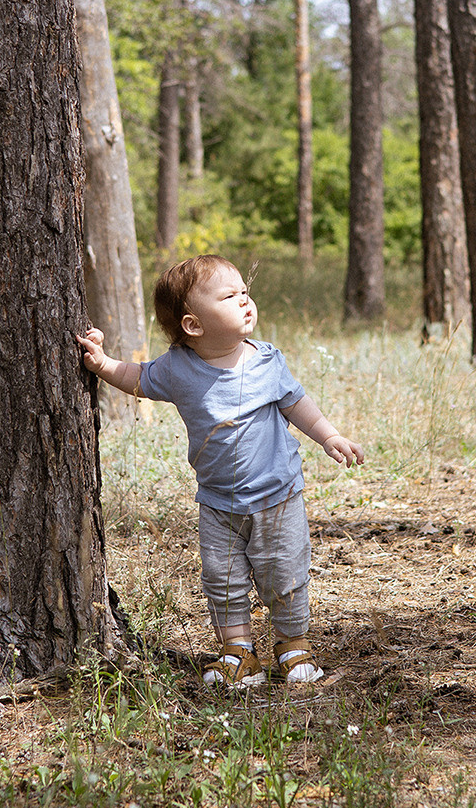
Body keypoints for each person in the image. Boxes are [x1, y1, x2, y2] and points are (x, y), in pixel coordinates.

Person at [78, 255, 363, 689]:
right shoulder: (176, 369)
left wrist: (328, 436)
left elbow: (295, 403)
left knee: (283, 573)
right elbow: (137, 378)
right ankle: (239, 651)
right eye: (230, 296)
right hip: (217, 502)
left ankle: (293, 644)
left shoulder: (266, 360)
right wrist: (101, 364)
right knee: (223, 579)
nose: (246, 301)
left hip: (277, 497)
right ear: (193, 325)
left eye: (245, 292)